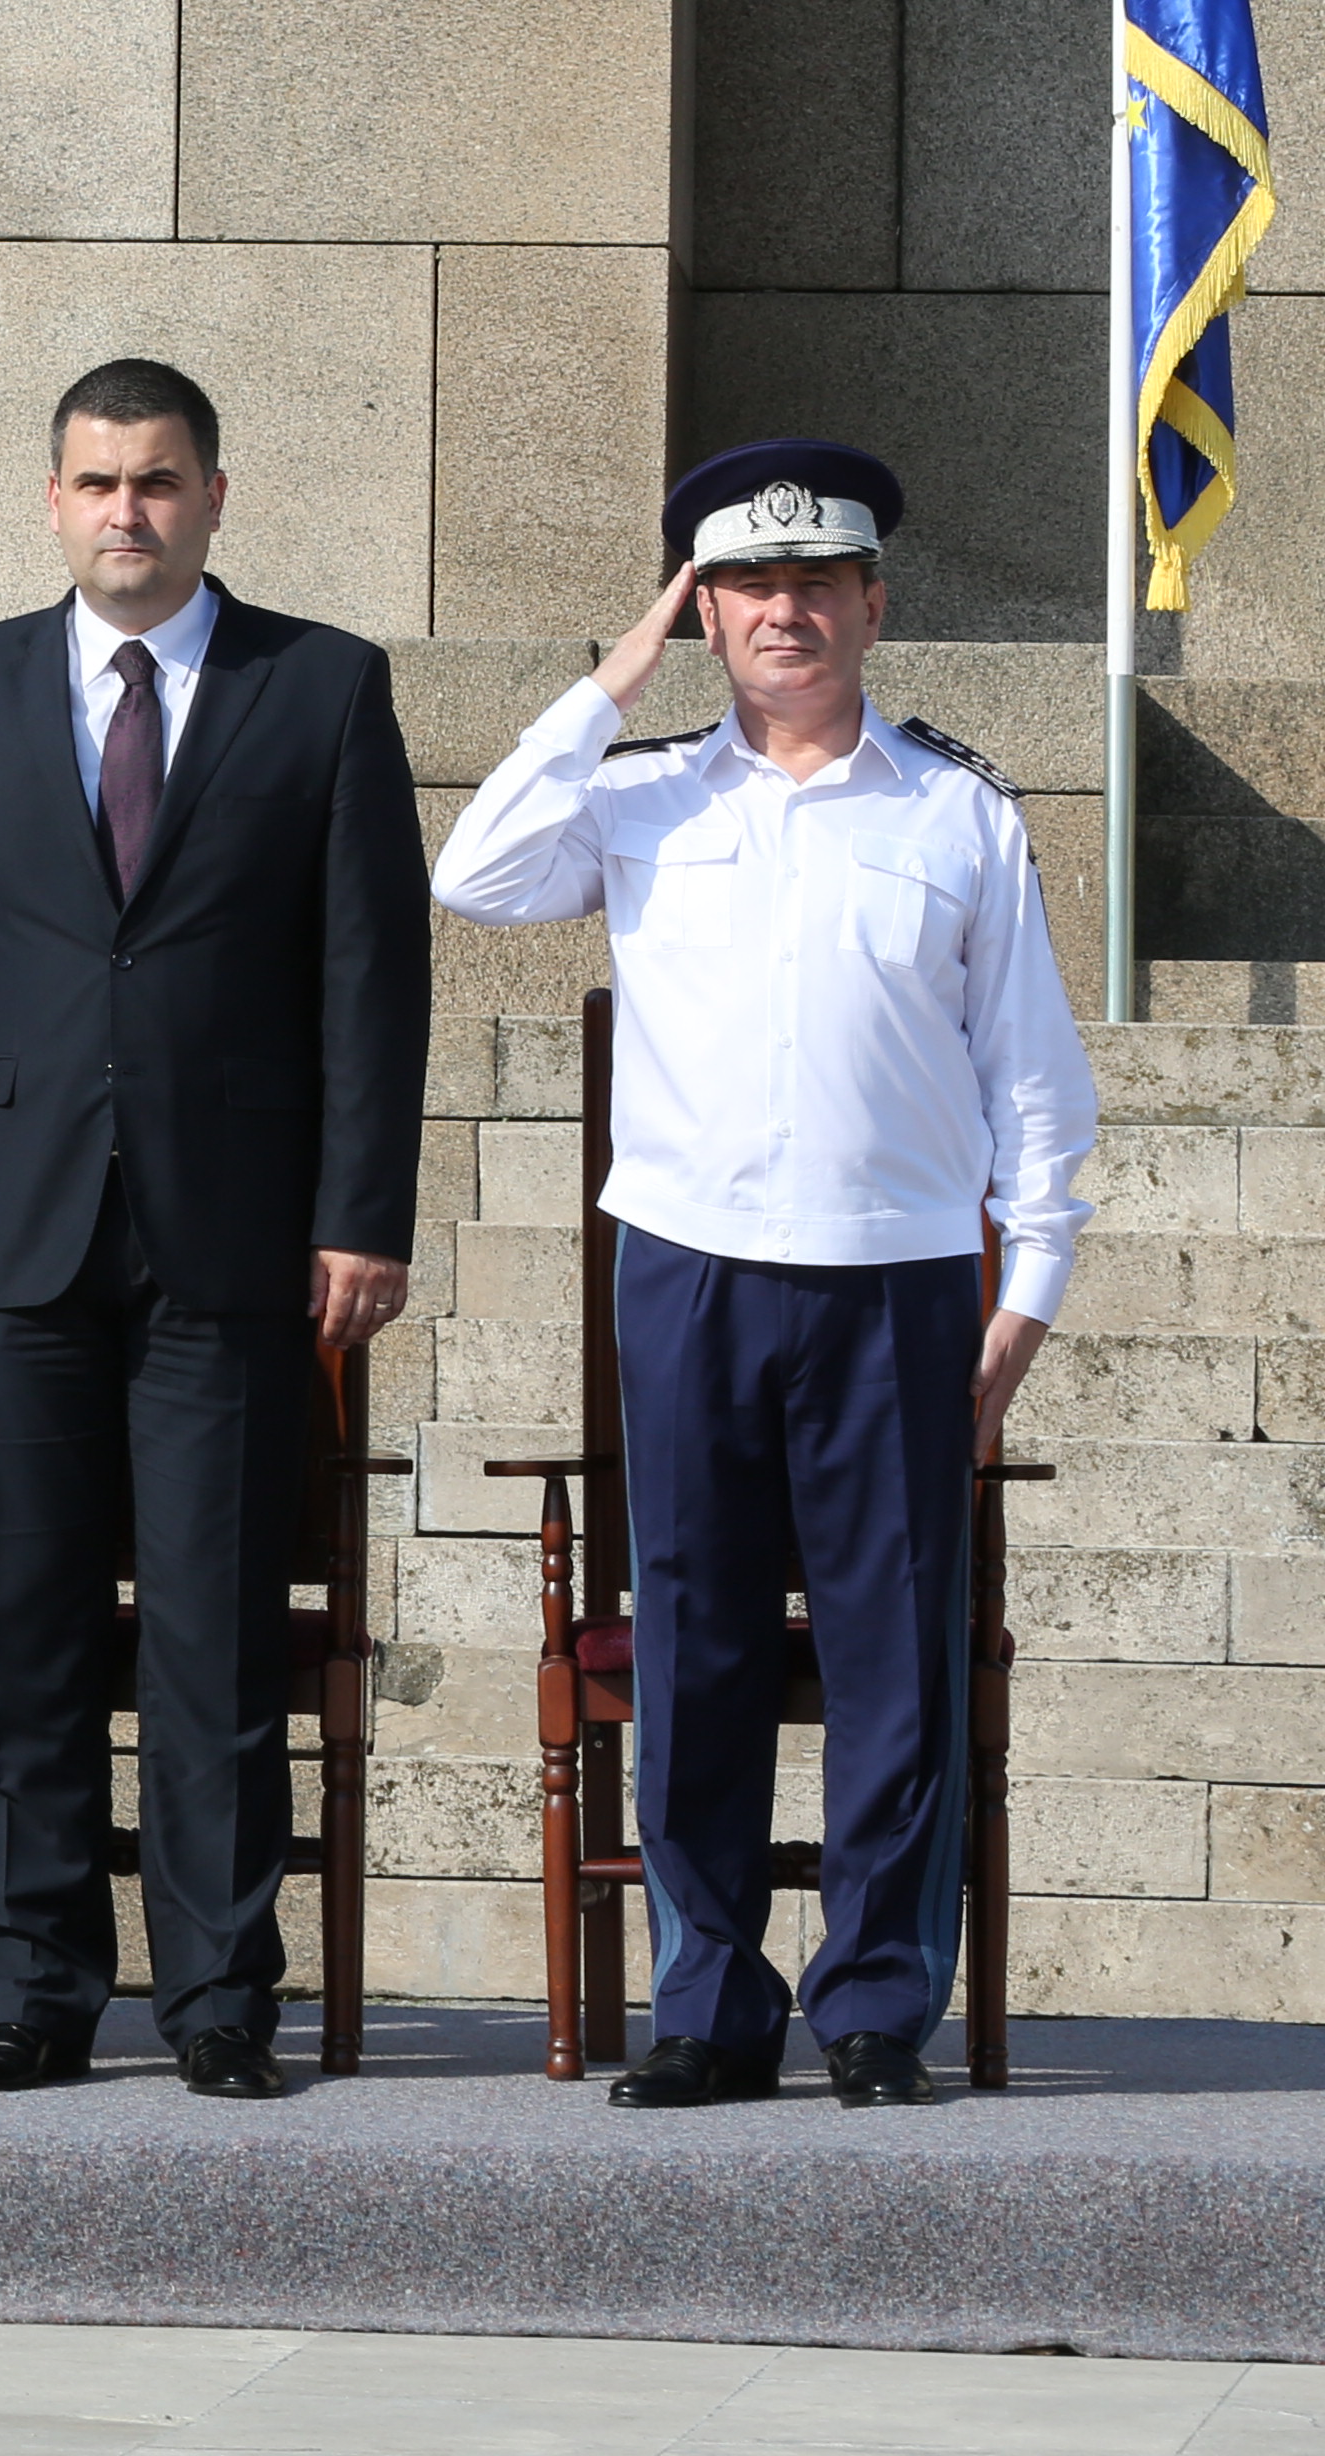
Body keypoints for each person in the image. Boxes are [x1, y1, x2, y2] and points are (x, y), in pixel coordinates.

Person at [430, 439, 1093, 2113]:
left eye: (817, 583)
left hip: (897, 1277)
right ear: (704, 614)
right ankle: (711, 2004)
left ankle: (875, 2002)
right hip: (693, 1274)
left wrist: (1034, 1287)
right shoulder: (644, 794)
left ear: (874, 603)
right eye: (747, 589)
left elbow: (1033, 1075)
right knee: (700, 1648)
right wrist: (608, 681)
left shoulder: (960, 809)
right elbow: (475, 871)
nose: (785, 613)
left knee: (895, 1657)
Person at [0, 356, 430, 2100]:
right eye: (97, 484)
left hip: (236, 1239)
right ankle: (30, 1987)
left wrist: (362, 1213)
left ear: (214, 497)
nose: (127, 513)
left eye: (158, 482)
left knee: (213, 1630)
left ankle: (218, 1996)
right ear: (51, 500)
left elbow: (368, 982)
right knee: (21, 1626)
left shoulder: (317, 690)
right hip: (11, 1231)